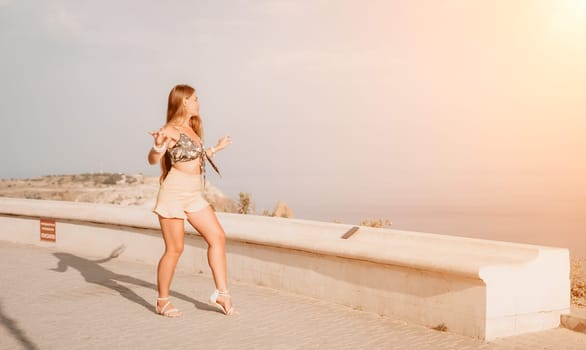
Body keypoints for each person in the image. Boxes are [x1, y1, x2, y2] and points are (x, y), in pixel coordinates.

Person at [147, 84, 236, 317]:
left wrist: (217, 147)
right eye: (195, 98)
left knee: (218, 237)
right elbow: (153, 158)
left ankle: (222, 293)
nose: (198, 102)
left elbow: (194, 158)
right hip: (174, 194)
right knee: (175, 249)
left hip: (193, 195)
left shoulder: (193, 130)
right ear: (184, 101)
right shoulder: (171, 129)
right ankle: (162, 301)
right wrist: (157, 145)